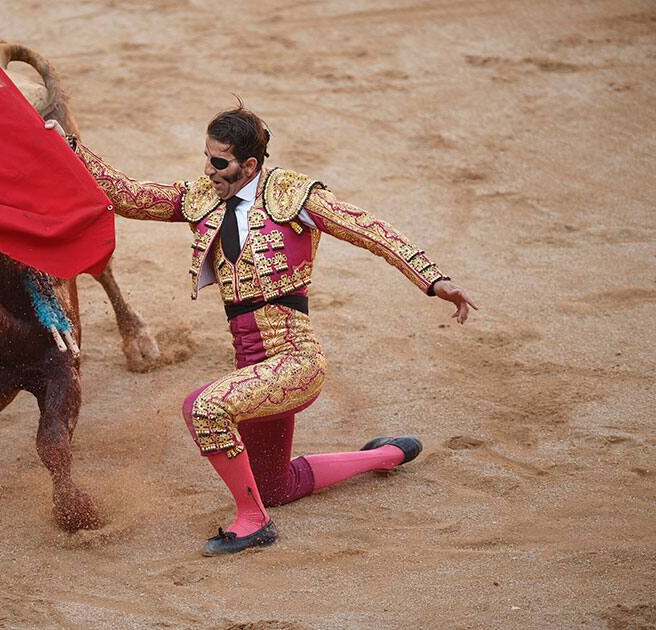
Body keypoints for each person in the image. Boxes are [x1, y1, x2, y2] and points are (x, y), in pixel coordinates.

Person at [45, 105, 477, 555]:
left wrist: (434, 280)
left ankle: (253, 522)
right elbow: (130, 195)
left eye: (219, 162)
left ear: (249, 165)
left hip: (295, 362)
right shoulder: (203, 196)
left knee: (205, 409)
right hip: (252, 366)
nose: (208, 170)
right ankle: (385, 455)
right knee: (275, 484)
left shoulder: (294, 197)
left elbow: (370, 230)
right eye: (206, 157)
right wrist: (69, 147)